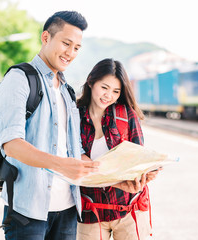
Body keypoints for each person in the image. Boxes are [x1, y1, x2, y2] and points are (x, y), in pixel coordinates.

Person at [0, 11, 99, 240]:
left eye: (77, 48)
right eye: (66, 43)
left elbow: (75, 150)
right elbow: (11, 144)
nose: (70, 53)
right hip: (28, 212)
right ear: (45, 37)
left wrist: (122, 175)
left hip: (68, 209)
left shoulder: (67, 90)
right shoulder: (19, 79)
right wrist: (61, 165)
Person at [76, 58, 160, 240]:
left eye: (116, 91)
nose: (109, 95)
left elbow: (138, 157)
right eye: (104, 87)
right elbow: (76, 164)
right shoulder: (75, 116)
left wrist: (146, 174)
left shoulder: (126, 115)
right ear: (91, 81)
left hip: (130, 208)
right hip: (91, 210)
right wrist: (116, 181)